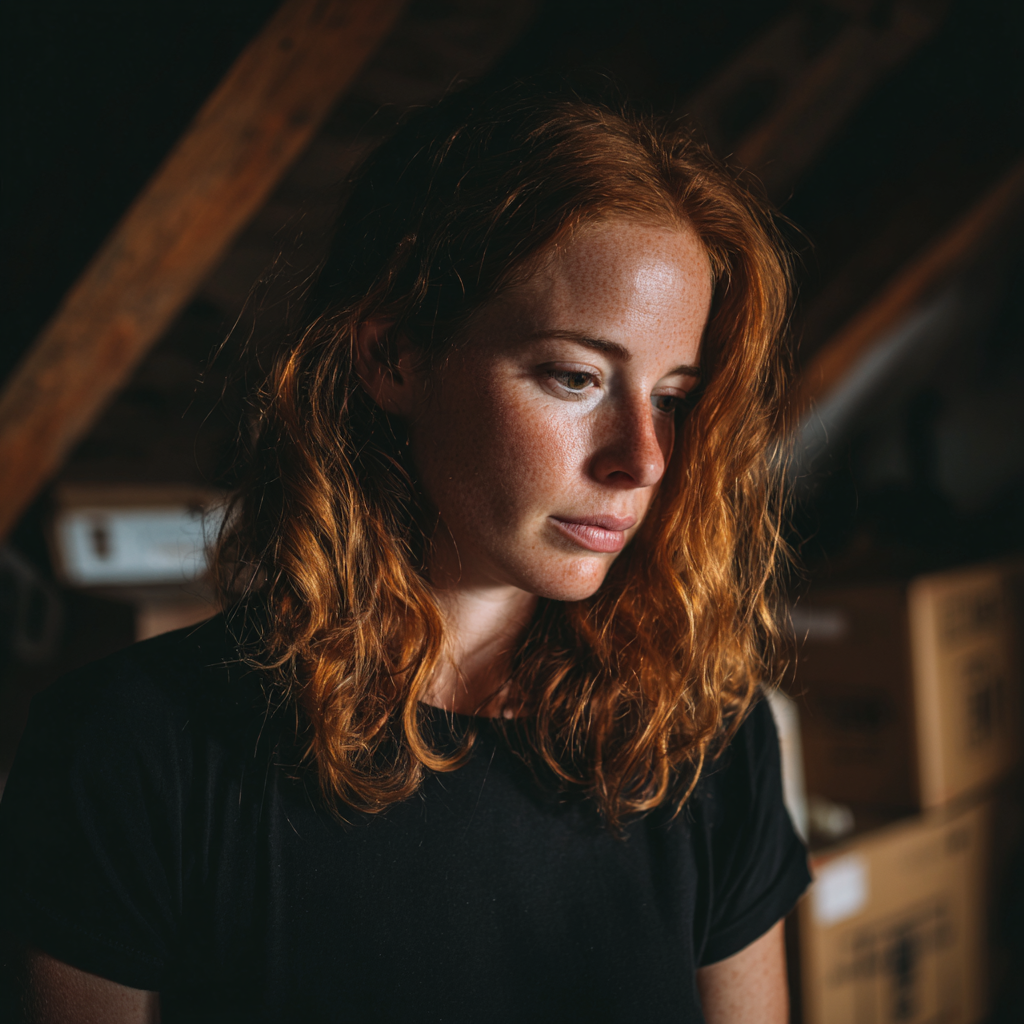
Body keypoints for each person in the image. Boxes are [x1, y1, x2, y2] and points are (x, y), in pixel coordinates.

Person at [0, 84, 809, 1023]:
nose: (644, 459)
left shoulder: (703, 741)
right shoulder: (129, 751)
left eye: (670, 397)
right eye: (575, 377)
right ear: (394, 358)